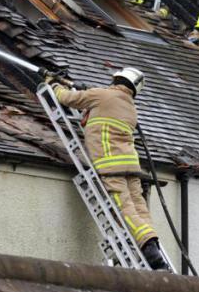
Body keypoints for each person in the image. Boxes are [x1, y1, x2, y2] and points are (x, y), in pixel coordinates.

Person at [50, 67, 173, 272]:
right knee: (140, 208)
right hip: (131, 166)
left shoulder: (101, 95)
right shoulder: (131, 107)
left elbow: (67, 98)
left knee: (125, 209)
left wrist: (54, 85)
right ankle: (155, 249)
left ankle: (150, 252)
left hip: (111, 165)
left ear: (117, 78)